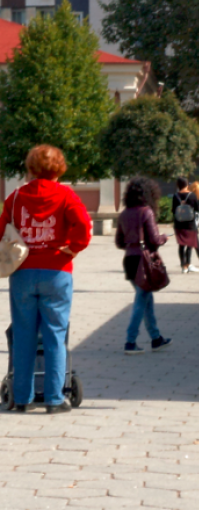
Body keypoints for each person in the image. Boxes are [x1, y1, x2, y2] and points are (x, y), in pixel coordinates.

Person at [0, 145, 91, 413]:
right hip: (57, 271)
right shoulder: (66, 195)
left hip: (23, 272)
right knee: (55, 335)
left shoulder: (15, 198)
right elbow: (84, 226)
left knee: (23, 335)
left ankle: (22, 398)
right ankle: (53, 399)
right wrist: (73, 247)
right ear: (59, 168)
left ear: (30, 167)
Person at [115, 177, 172, 355]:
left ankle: (156, 338)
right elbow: (155, 239)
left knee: (146, 299)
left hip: (129, 260)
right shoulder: (146, 212)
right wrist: (164, 237)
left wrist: (132, 245)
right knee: (141, 300)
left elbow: (119, 242)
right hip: (143, 262)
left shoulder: (124, 214)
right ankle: (130, 341)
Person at [172, 177, 199, 273]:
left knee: (181, 245)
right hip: (190, 224)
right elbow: (197, 209)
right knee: (189, 244)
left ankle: (183, 266)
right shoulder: (192, 196)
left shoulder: (175, 196)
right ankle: (188, 264)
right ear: (187, 184)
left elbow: (173, 211)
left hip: (179, 224)